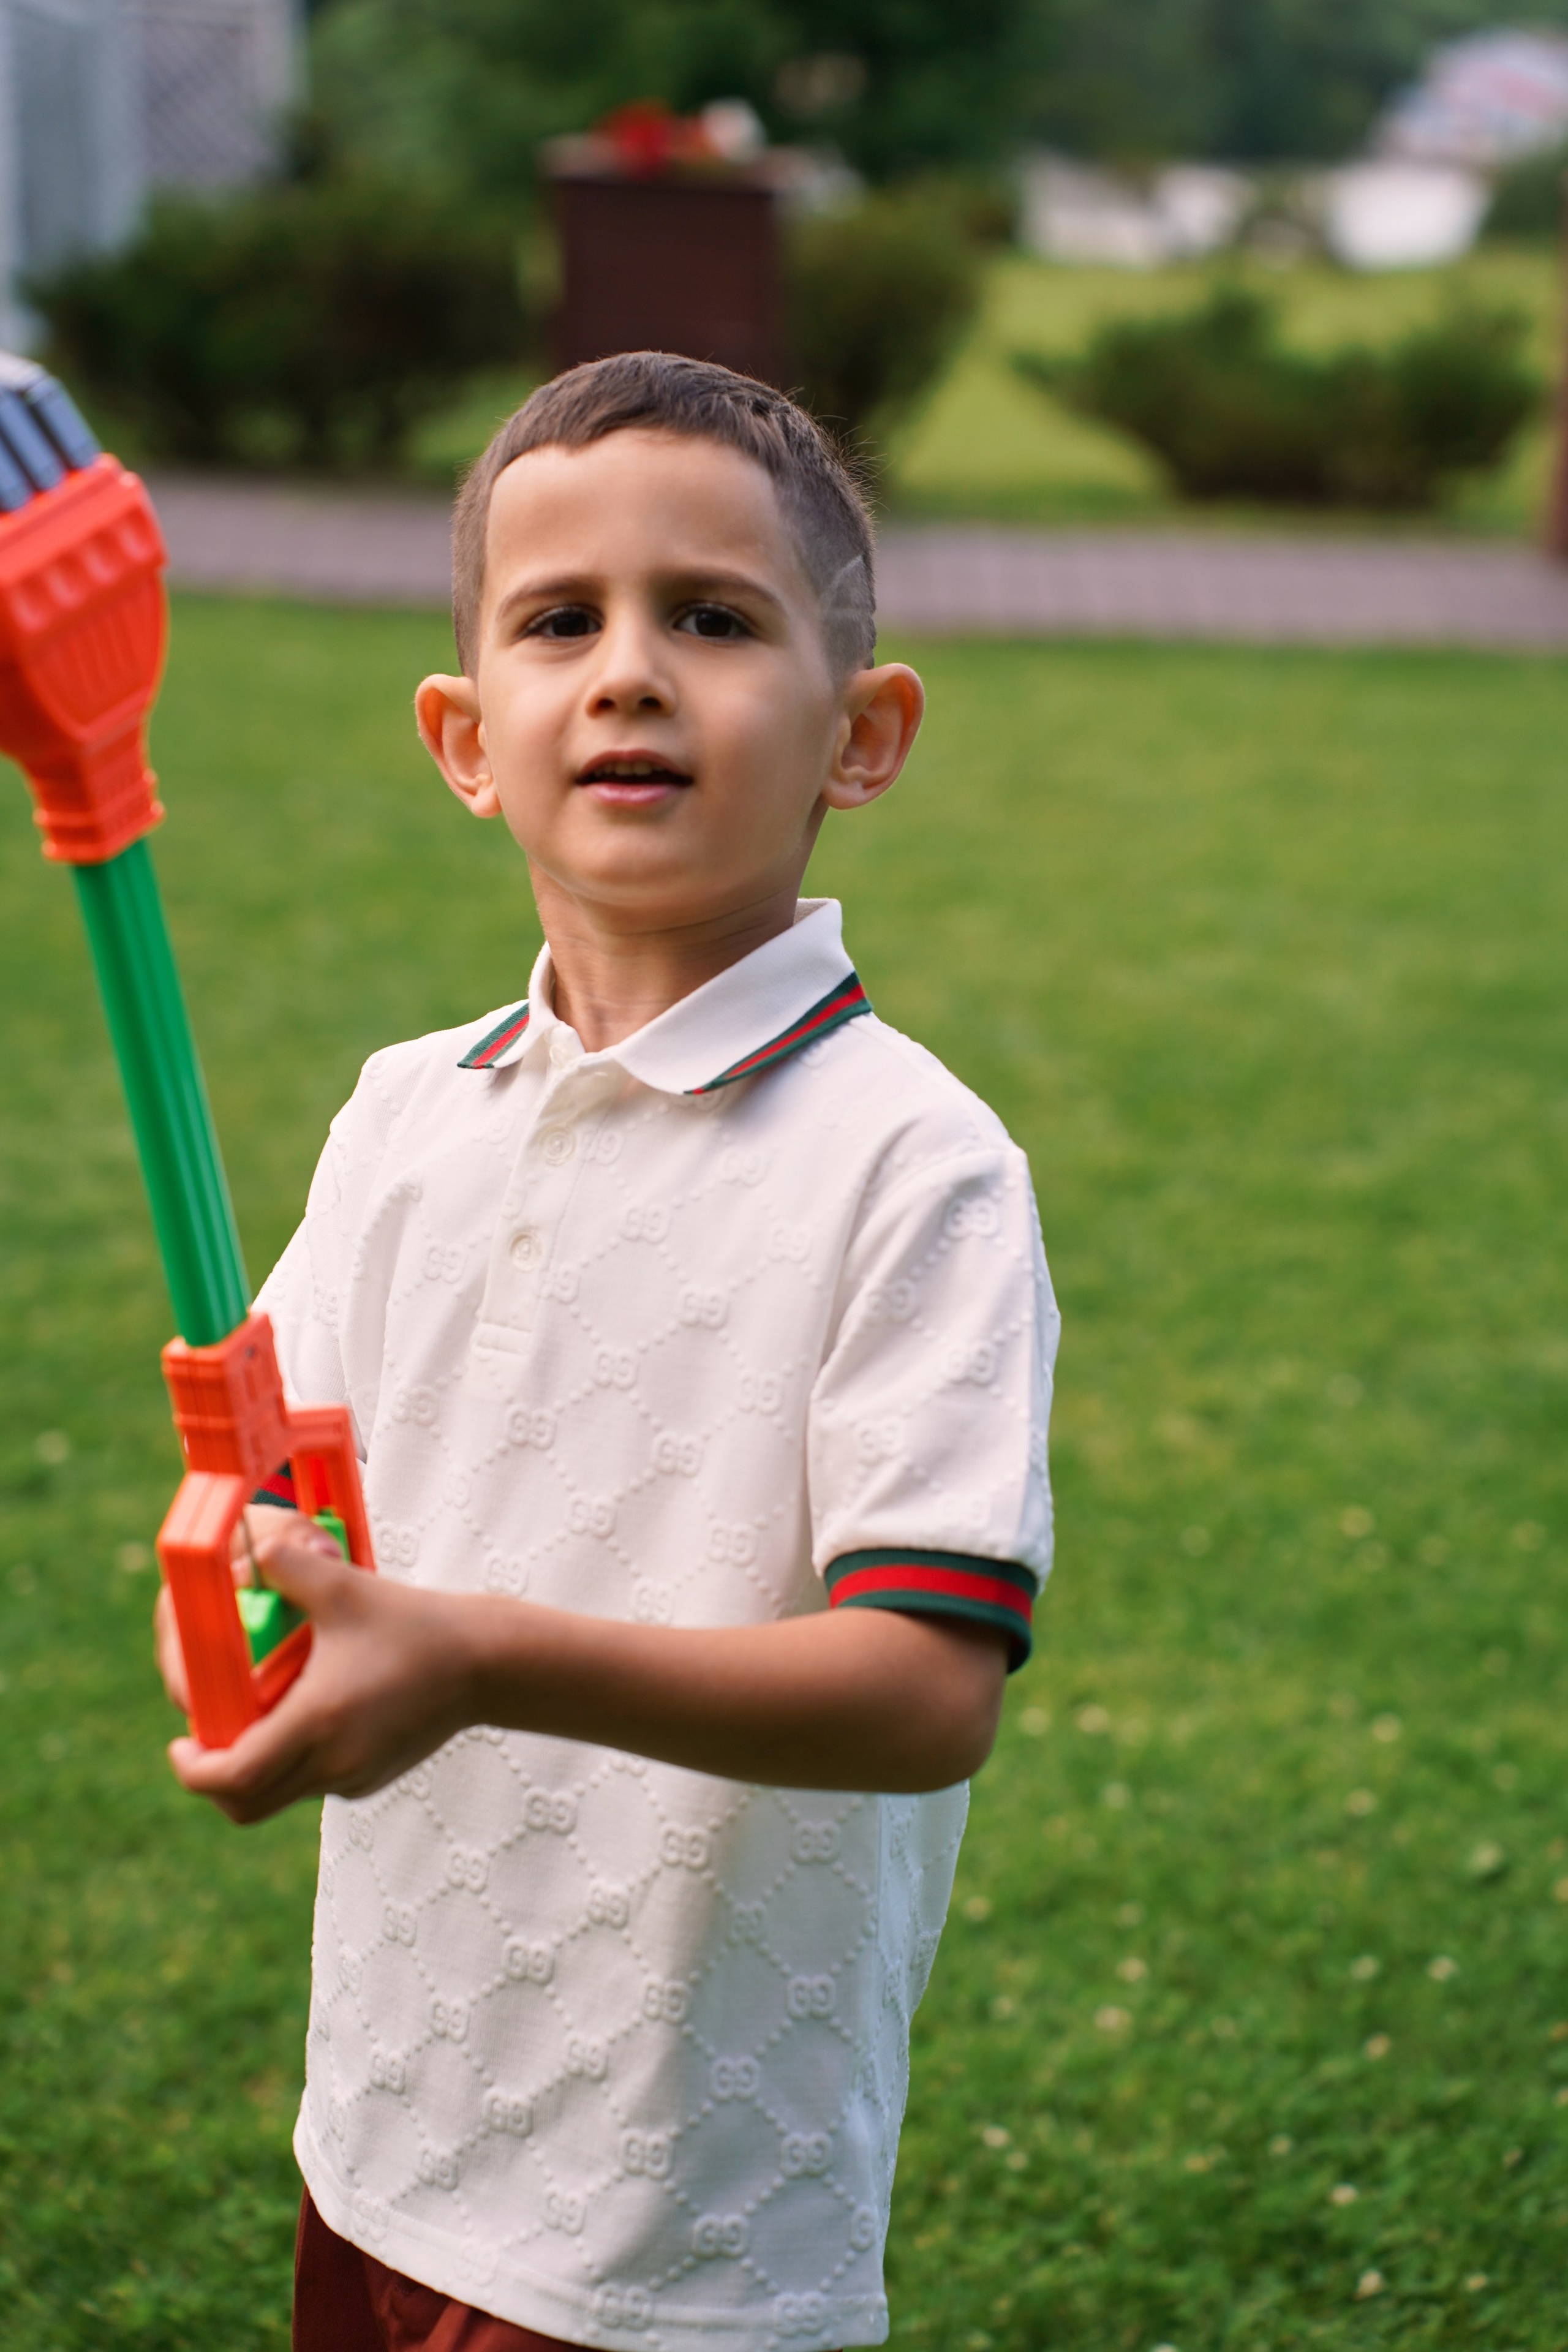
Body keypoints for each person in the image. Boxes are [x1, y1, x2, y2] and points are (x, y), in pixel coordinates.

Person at [157, 353, 1061, 2352]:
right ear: (468, 739)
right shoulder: (406, 1112)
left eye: (714, 618)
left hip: (680, 2222)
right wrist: (242, 1614)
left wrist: (477, 1658)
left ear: (866, 730)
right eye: (561, 622)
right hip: (385, 2118)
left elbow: (925, 1688)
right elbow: (270, 1494)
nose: (629, 672)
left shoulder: (914, 1170)